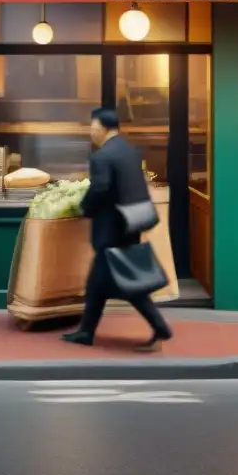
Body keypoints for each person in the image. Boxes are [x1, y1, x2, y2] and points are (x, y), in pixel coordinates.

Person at [62, 108, 173, 352]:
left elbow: (100, 188)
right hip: (130, 224)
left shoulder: (102, 158)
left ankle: (160, 327)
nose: (91, 132)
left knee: (130, 285)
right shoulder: (129, 151)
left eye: (92, 126)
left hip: (110, 230)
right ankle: (86, 332)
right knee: (97, 283)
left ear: (102, 127)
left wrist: (84, 208)